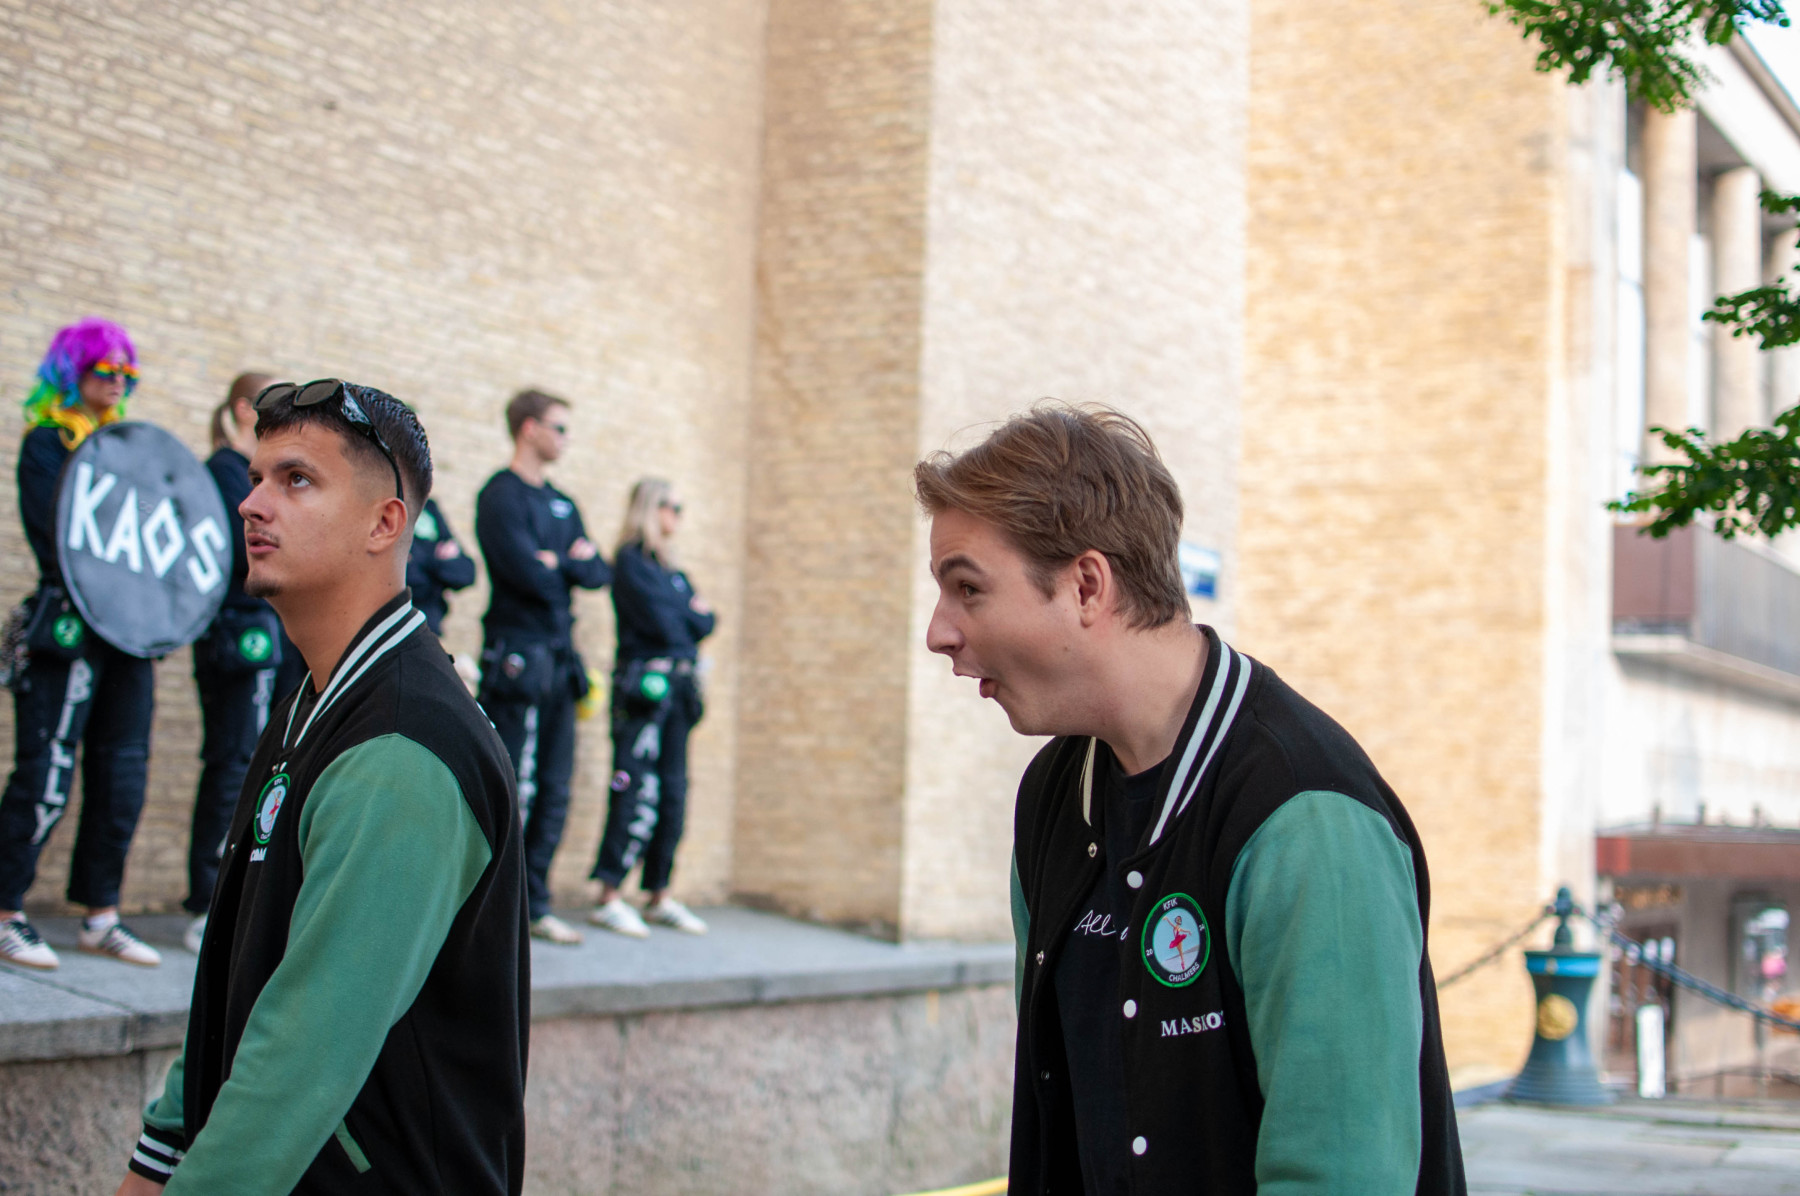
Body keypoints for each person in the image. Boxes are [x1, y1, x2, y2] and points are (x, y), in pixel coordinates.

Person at [916, 404, 1465, 1194]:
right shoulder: (1052, 795)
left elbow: (1342, 1175)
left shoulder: (1305, 816)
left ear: (1086, 586)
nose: (939, 632)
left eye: (968, 589)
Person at [115, 378, 527, 1195]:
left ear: (385, 523)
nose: (251, 504)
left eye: (296, 480)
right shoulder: (319, 697)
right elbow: (241, 973)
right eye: (255, 478)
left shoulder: (403, 748)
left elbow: (299, 1059)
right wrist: (156, 1154)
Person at [0, 318, 161, 971]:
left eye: (128, 372)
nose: (118, 381)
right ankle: (5, 911)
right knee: (45, 771)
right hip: (69, 627)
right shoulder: (48, 442)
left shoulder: (129, 449)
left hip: (129, 633)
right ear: (72, 371)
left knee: (123, 775)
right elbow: (57, 535)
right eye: (105, 368)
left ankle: (101, 917)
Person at [475, 389, 610, 946]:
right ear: (528, 428)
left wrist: (559, 564)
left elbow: (598, 572)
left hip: (560, 659)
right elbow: (523, 573)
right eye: (559, 427)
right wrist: (561, 566)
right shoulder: (500, 496)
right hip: (517, 656)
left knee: (555, 785)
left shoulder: (563, 503)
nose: (566, 439)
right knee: (515, 782)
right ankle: (492, 909)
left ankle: (535, 903)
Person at [181, 375, 305, 956]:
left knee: (269, 768)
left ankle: (242, 902)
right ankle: (205, 904)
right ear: (239, 410)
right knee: (232, 763)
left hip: (271, 638)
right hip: (235, 637)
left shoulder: (260, 476)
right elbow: (239, 550)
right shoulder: (224, 472)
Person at [589, 478, 714, 938]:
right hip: (644, 689)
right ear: (650, 508)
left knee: (674, 791)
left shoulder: (672, 570)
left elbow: (706, 621)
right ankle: (609, 894)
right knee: (633, 785)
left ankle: (659, 893)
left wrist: (687, 615)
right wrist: (687, 614)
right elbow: (668, 624)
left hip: (680, 690)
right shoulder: (630, 561)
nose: (677, 516)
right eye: (671, 507)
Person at [407, 495, 476, 636]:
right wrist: (439, 558)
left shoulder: (428, 507)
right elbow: (409, 577)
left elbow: (466, 573)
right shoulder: (385, 508)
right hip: (395, 626)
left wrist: (421, 559)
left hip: (430, 628)